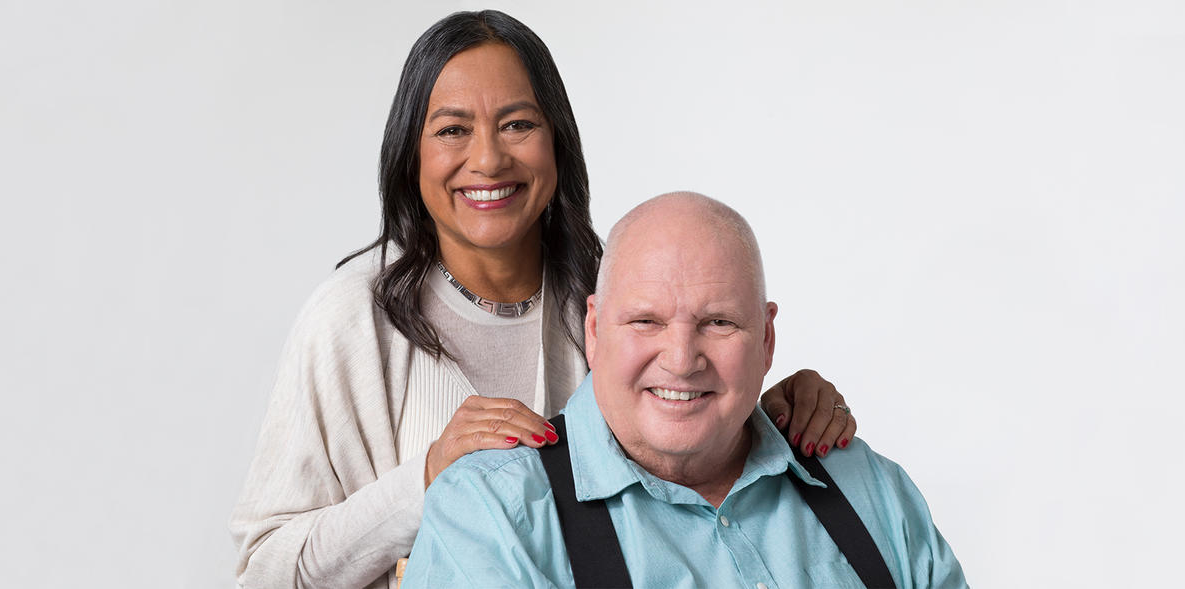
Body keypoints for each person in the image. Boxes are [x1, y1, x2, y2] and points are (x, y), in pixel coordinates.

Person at [230, 13, 859, 589]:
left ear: (557, 139)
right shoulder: (348, 321)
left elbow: (696, 439)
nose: (488, 158)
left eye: (517, 124)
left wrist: (773, 412)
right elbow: (263, 571)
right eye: (452, 129)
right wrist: (424, 480)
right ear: (409, 154)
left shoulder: (619, 292)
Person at [402, 193, 966, 589]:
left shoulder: (871, 490)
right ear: (594, 331)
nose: (680, 359)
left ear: (767, 339)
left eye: (719, 323)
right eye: (645, 321)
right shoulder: (492, 516)